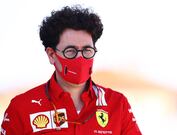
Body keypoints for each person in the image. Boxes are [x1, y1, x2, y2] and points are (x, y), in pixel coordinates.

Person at [1, 5, 142, 135]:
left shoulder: (117, 104)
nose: (80, 58)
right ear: (51, 55)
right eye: (71, 51)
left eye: (87, 50)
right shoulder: (21, 108)